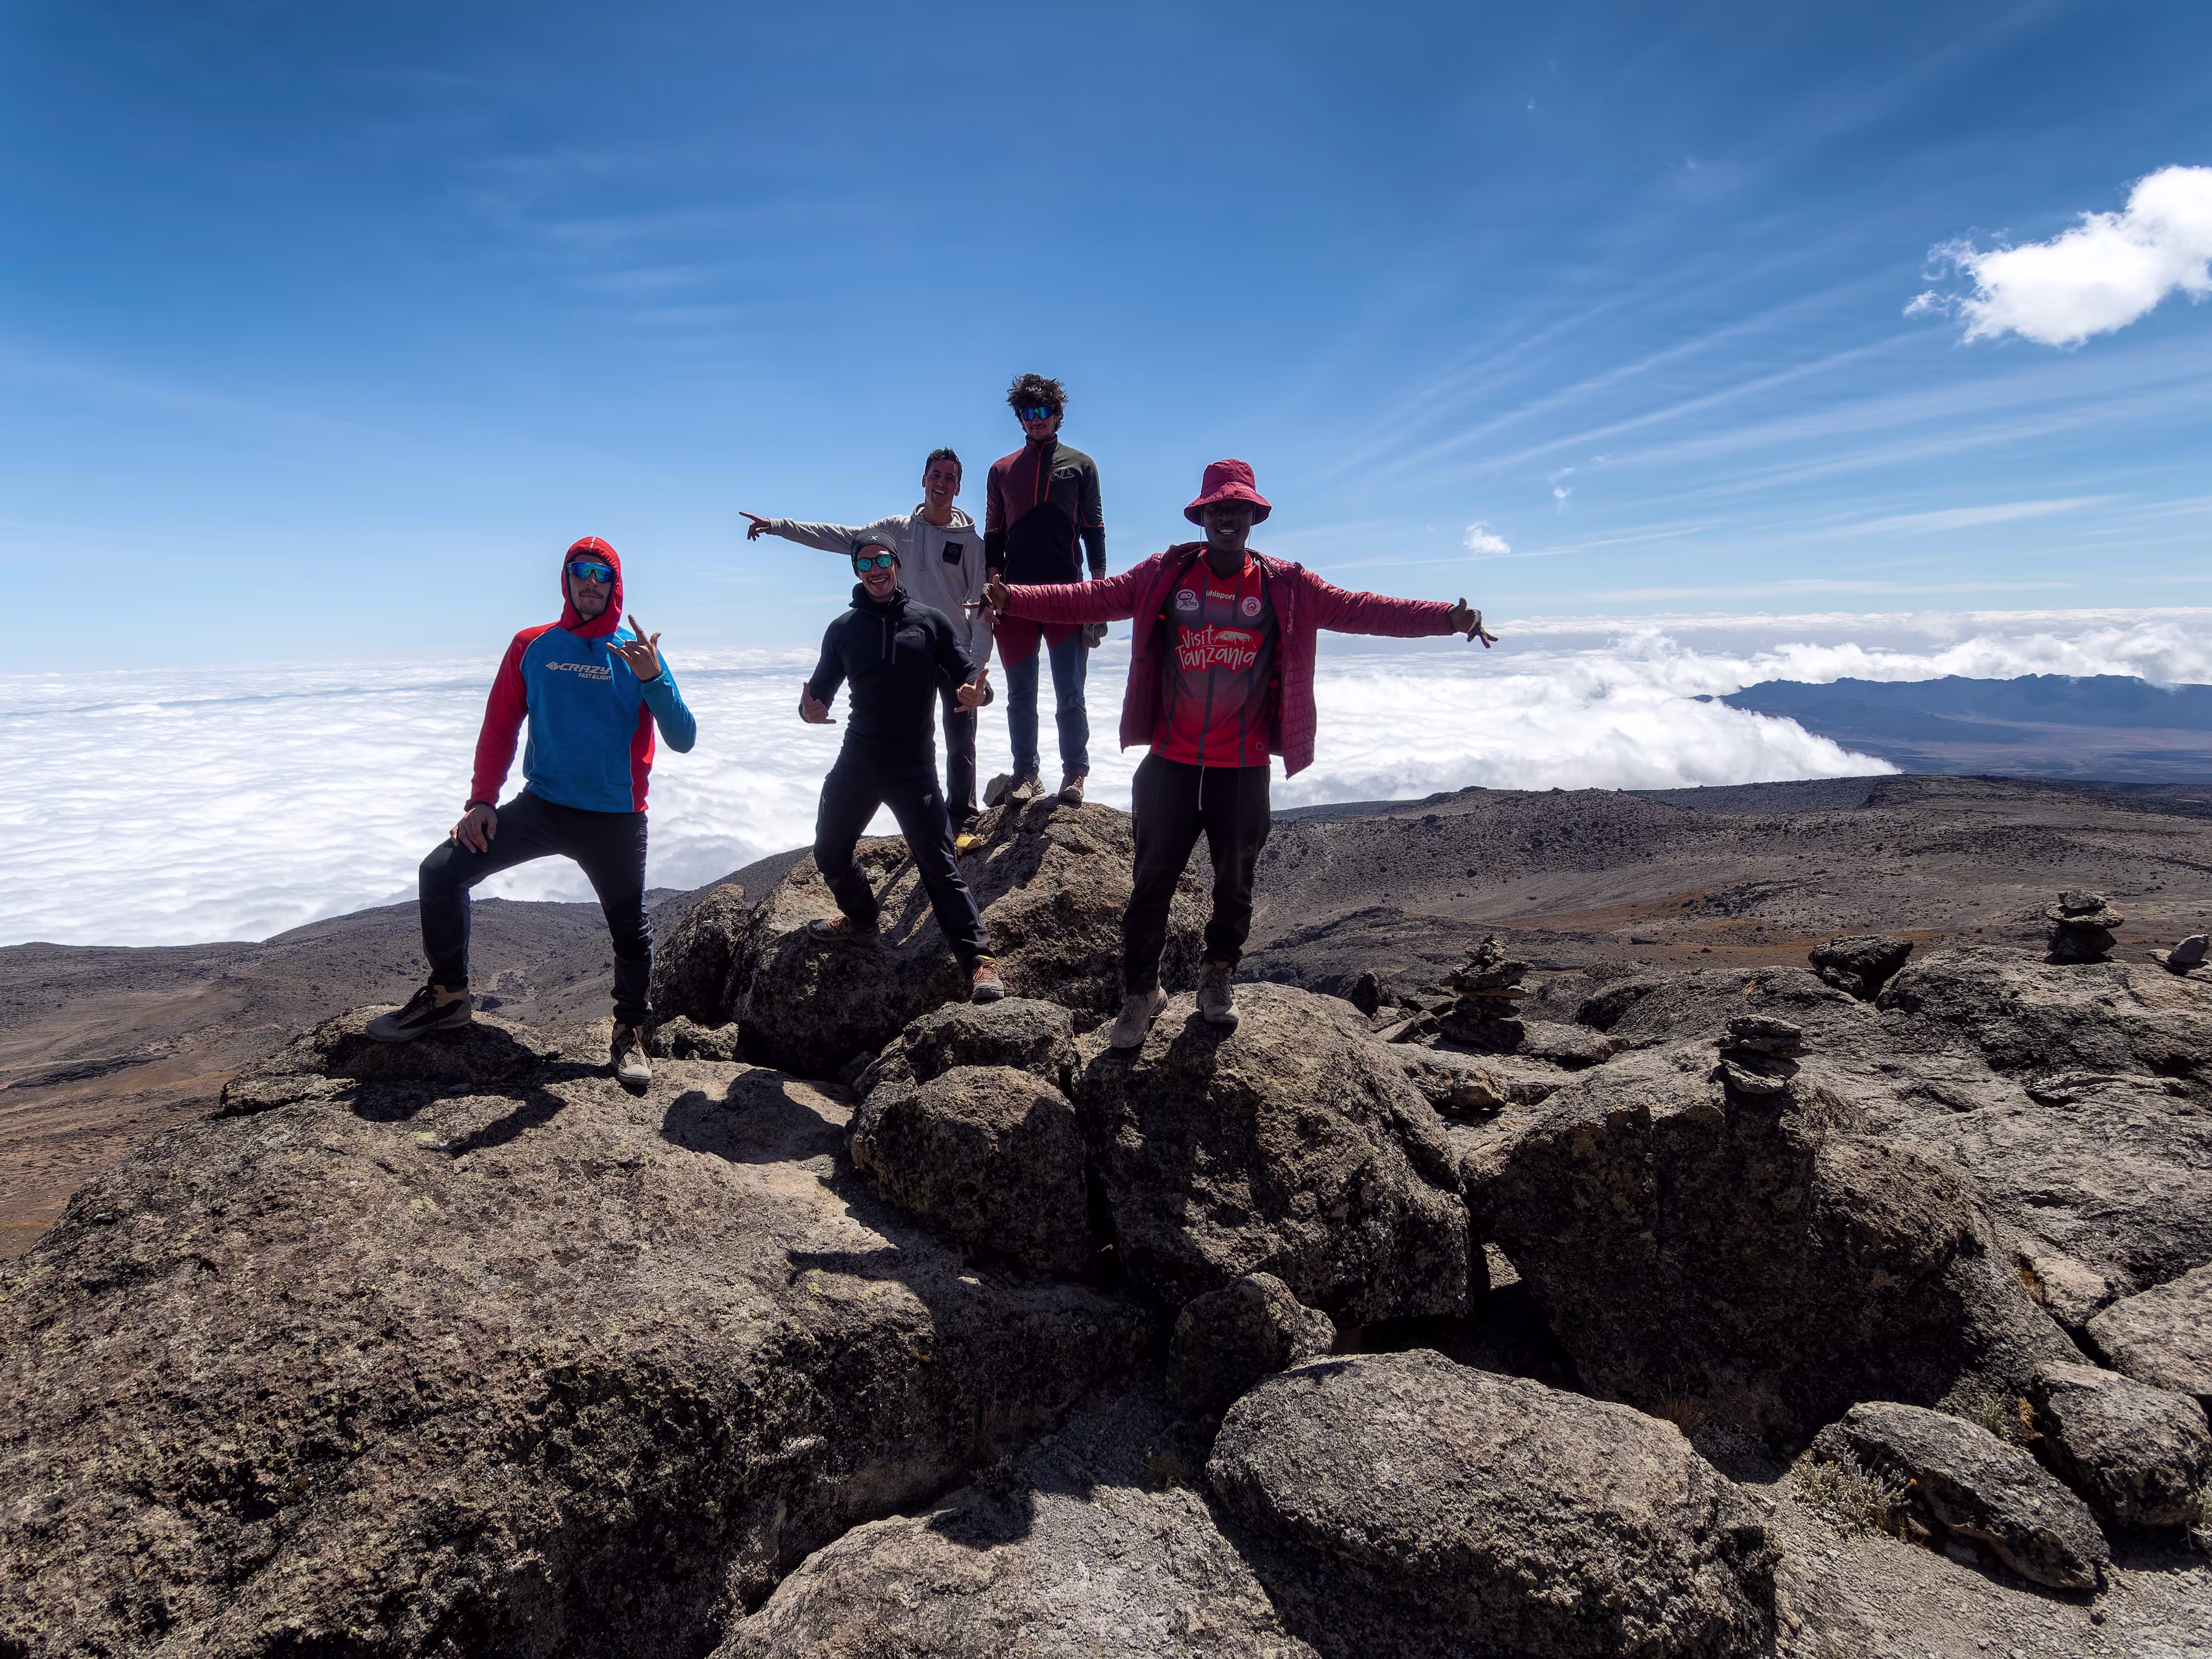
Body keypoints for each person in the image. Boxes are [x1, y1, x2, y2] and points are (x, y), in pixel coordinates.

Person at [979, 459, 1497, 1048]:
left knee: (1236, 883)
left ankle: (1217, 975)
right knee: (1150, 885)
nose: (1228, 517)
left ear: (1254, 516)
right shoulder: (1165, 574)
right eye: (1217, 509)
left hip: (1243, 765)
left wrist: (1447, 619)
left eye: (1238, 508)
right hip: (1171, 762)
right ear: (1203, 517)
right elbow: (1090, 597)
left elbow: (1364, 610)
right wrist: (1013, 598)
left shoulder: (1287, 584)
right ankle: (1140, 993)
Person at [368, 536, 698, 1089]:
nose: (592, 581)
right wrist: (481, 801)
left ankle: (629, 1034)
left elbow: (683, 738)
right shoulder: (533, 646)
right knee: (441, 873)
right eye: (581, 570)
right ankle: (448, 998)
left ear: (616, 586)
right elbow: (500, 726)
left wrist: (654, 679)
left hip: (615, 817)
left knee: (631, 932)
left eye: (603, 574)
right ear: (566, 579)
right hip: (542, 806)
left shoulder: (636, 655)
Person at [741, 448, 995, 828]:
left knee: (961, 737)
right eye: (936, 476)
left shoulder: (972, 544)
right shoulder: (896, 530)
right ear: (924, 480)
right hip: (907, 646)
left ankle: (962, 818)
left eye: (950, 479)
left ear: (958, 489)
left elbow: (981, 605)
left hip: (950, 647)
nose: (941, 484)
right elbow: (843, 538)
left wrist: (975, 669)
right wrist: (779, 526)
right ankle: (927, 820)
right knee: (913, 738)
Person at [801, 538, 1006, 1003]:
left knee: (940, 866)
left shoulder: (929, 622)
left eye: (882, 561)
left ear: (896, 565)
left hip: (913, 767)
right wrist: (809, 710)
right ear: (857, 571)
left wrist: (979, 694)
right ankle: (861, 920)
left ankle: (980, 963)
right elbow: (819, 694)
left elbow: (968, 674)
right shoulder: (843, 630)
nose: (875, 569)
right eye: (864, 563)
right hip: (859, 760)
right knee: (830, 850)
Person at [984, 373, 1107, 806]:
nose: (1037, 420)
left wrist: (1099, 592)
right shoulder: (1000, 471)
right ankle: (1026, 773)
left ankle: (1075, 772)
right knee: (1020, 695)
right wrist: (993, 584)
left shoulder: (1081, 465)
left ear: (1058, 415)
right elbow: (994, 534)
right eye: (1028, 413)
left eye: (1044, 412)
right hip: (1014, 599)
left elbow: (1094, 530)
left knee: (1070, 693)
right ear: (1020, 418)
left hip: (1067, 598)